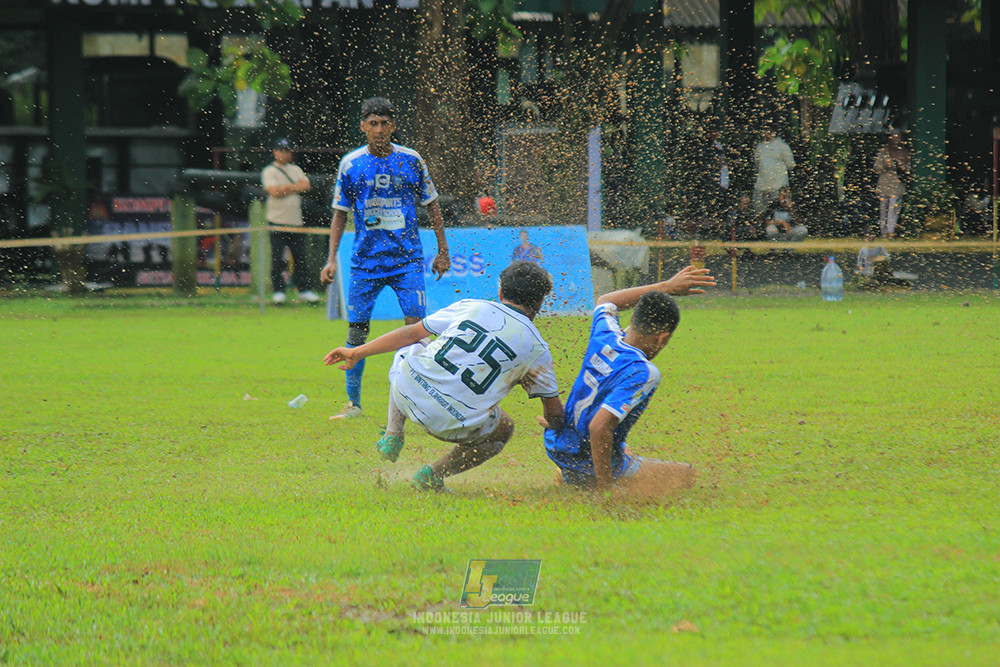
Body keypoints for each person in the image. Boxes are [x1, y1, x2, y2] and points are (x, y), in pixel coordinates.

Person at [324, 261, 564, 492]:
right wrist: (552, 423)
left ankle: (393, 433)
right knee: (505, 428)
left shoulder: (472, 306)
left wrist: (356, 351)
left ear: (500, 292)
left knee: (414, 341)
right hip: (454, 425)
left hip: (408, 393)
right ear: (541, 302)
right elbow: (553, 411)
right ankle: (431, 476)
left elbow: (410, 332)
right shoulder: (537, 348)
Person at [320, 97, 451, 420]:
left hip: (406, 261)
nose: (379, 130)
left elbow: (432, 205)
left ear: (393, 126)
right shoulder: (351, 164)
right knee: (357, 333)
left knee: (417, 329)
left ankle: (422, 400)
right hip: (365, 264)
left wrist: (442, 251)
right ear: (363, 126)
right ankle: (353, 404)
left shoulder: (411, 160)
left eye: (385, 124)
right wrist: (331, 258)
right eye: (373, 124)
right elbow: (340, 214)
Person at [542, 266, 716, 502]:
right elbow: (599, 427)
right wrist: (607, 489)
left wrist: (666, 286)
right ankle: (587, 481)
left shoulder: (606, 332)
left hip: (558, 443)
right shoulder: (644, 372)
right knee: (686, 475)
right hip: (583, 459)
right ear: (663, 338)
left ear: (632, 318)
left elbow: (606, 300)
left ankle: (574, 474)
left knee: (622, 445)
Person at [262, 138, 320, 304]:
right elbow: (274, 191)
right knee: (277, 258)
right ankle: (279, 291)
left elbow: (306, 185)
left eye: (287, 150)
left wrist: (285, 187)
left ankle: (304, 289)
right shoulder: (269, 171)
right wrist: (294, 186)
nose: (284, 153)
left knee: (300, 257)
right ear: (275, 152)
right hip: (276, 220)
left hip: (295, 221)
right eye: (281, 150)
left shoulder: (295, 169)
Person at [873, 129, 911, 238]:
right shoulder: (884, 152)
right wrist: (886, 165)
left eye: (898, 137)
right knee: (883, 207)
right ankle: (883, 231)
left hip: (897, 183)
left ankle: (891, 231)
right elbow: (876, 167)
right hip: (884, 182)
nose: (896, 139)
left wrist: (901, 166)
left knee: (893, 208)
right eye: (894, 136)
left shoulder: (905, 152)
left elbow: (908, 169)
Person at [752, 125, 796, 215]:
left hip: (778, 186)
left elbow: (791, 164)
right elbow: (757, 163)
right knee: (759, 212)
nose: (765, 133)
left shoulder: (783, 146)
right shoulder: (760, 147)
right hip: (761, 185)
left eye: (767, 130)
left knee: (776, 213)